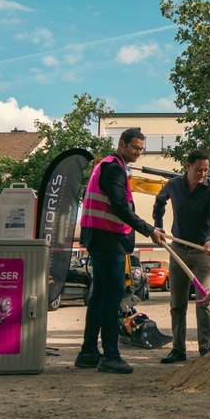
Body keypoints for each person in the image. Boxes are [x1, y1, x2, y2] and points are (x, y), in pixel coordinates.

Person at [75, 128, 165, 374]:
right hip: (107, 239)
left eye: (141, 149)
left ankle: (88, 353)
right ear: (122, 144)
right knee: (112, 296)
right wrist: (150, 230)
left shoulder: (104, 165)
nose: (138, 152)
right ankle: (110, 356)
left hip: (98, 238)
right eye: (135, 147)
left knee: (99, 296)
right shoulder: (115, 168)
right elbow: (120, 207)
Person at [153, 149, 210, 363]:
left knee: (204, 301)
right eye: (198, 169)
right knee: (177, 302)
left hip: (204, 252)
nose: (202, 174)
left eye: (206, 170)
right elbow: (159, 201)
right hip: (179, 250)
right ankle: (178, 349)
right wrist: (158, 226)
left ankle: (205, 350)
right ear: (188, 166)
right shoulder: (174, 185)